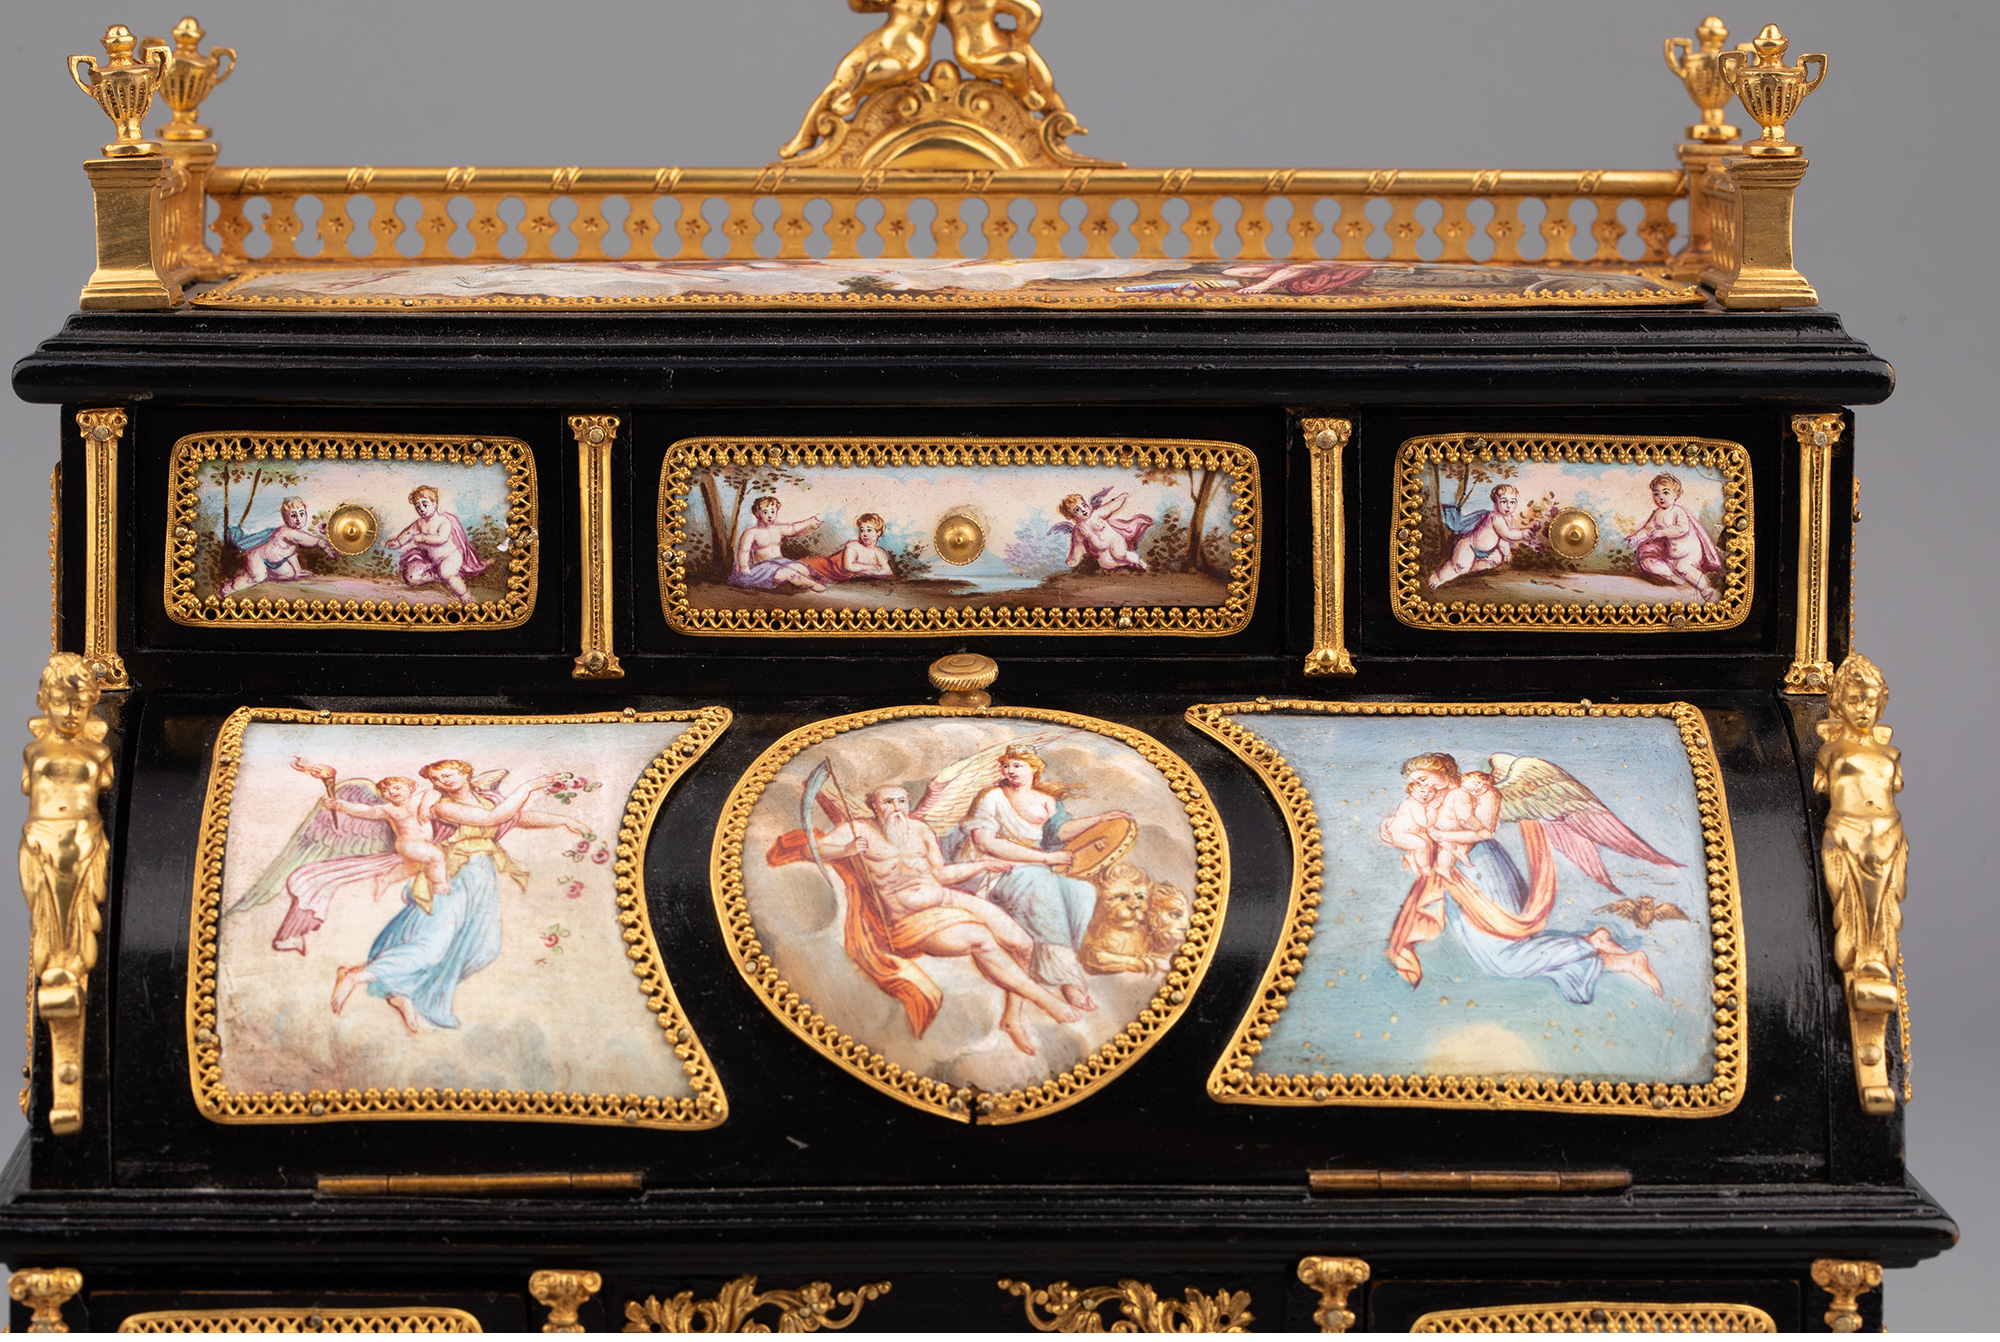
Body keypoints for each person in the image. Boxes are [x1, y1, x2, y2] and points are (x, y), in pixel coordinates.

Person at [813, 783, 1079, 1055]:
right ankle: (1044, 999)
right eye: (888, 802)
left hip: (943, 896)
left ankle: (1012, 1018)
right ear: (874, 806)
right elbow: (815, 849)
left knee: (1022, 943)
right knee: (980, 939)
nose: (896, 808)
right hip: (908, 918)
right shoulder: (856, 830)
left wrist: (983, 865)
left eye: (902, 801)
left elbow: (940, 874)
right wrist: (845, 850)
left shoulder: (920, 830)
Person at [1383, 754, 1662, 1003]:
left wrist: (1437, 836)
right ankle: (1605, 951)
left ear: (1440, 771)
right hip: (1456, 874)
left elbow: (1482, 832)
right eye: (1416, 781)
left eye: (1423, 778)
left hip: (1481, 867)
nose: (1420, 784)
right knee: (1495, 959)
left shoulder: (1473, 791)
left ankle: (1606, 951)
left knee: (1504, 956)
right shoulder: (1430, 797)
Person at [329, 760, 577, 1034]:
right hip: (454, 874)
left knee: (485, 949)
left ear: (465, 773)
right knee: (432, 946)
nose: (441, 782)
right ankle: (358, 975)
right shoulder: (440, 806)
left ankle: (403, 989)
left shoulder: (487, 800)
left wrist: (564, 820)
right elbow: (491, 819)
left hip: (481, 877)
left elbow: (514, 817)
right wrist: (529, 786)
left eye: (447, 775)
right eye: (436, 779)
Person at [945, 746, 1131, 1013]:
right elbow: (985, 843)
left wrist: (1100, 819)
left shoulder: (1046, 799)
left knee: (1082, 892)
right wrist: (1045, 859)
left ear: (1034, 768)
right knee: (1038, 882)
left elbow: (1060, 832)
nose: (1010, 771)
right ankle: (1068, 981)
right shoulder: (992, 797)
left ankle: (1059, 964)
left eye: (1017, 765)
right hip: (993, 867)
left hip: (1034, 864)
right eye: (1006, 766)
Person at [317, 776, 449, 906]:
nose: (392, 792)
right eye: (386, 790)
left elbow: (434, 793)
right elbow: (368, 811)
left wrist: (425, 806)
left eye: (397, 787)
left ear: (410, 787)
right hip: (407, 844)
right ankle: (440, 887)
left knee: (414, 866)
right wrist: (340, 805)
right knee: (436, 856)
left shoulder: (420, 798)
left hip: (423, 844)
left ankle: (385, 880)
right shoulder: (389, 809)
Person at [384, 485, 490, 603]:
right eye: (418, 507)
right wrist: (397, 542)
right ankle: (435, 575)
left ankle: (466, 596)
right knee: (411, 577)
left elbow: (441, 538)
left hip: (450, 556)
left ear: (434, 504)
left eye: (425, 505)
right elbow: (408, 533)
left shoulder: (443, 521)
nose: (421, 509)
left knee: (447, 573)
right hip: (432, 560)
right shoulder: (419, 523)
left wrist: (422, 537)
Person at [1628, 472, 1723, 602]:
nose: (1660, 497)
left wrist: (1662, 532)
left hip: (1688, 553)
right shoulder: (1657, 514)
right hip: (1671, 554)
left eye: (1666, 493)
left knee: (1682, 567)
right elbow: (1648, 529)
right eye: (1656, 494)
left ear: (1676, 495)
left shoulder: (1678, 511)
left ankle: (1705, 589)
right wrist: (1635, 537)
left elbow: (1682, 529)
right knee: (1647, 563)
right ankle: (1673, 576)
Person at [222, 495, 340, 597]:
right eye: (293, 515)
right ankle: (230, 588)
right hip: (258, 558)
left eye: (301, 514)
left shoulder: (297, 533)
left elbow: (291, 554)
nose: (298, 519)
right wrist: (325, 547)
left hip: (275, 562)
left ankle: (253, 574)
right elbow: (311, 541)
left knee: (289, 574)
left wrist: (298, 571)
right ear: (285, 517)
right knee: (258, 577)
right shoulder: (286, 532)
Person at [1428, 483, 1528, 589]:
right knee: (1459, 567)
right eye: (1504, 502)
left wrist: (1505, 551)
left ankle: (1471, 568)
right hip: (1470, 546)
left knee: (1490, 562)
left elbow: (1504, 538)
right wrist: (1523, 534)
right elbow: (1507, 534)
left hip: (1487, 551)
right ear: (1496, 503)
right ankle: (1437, 578)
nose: (1509, 506)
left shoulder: (1509, 519)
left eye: (1512, 502)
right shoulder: (1495, 517)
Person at [729, 495, 827, 592]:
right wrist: (744, 566)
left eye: (773, 511)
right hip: (764, 568)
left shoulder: (778, 528)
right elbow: (743, 551)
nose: (770, 515)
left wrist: (810, 522)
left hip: (781, 562)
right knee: (788, 573)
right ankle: (814, 585)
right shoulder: (751, 532)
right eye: (765, 512)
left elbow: (793, 528)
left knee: (803, 569)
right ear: (757, 513)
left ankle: (793, 583)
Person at [1057, 491, 1151, 573]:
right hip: (1101, 549)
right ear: (1072, 516)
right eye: (1077, 510)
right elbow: (1077, 546)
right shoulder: (1079, 530)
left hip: (1113, 540)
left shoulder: (1096, 514)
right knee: (1106, 563)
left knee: (1120, 554)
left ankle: (1139, 562)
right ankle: (1129, 565)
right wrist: (1073, 560)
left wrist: (1121, 499)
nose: (1083, 510)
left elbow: (1110, 507)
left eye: (1083, 505)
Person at [803, 512, 895, 585]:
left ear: (878, 533)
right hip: (825, 567)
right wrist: (871, 568)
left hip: (837, 578)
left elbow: (887, 571)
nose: (865, 534)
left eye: (869, 530)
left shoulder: (879, 553)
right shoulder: (853, 545)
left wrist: (868, 572)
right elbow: (849, 567)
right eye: (862, 530)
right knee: (801, 570)